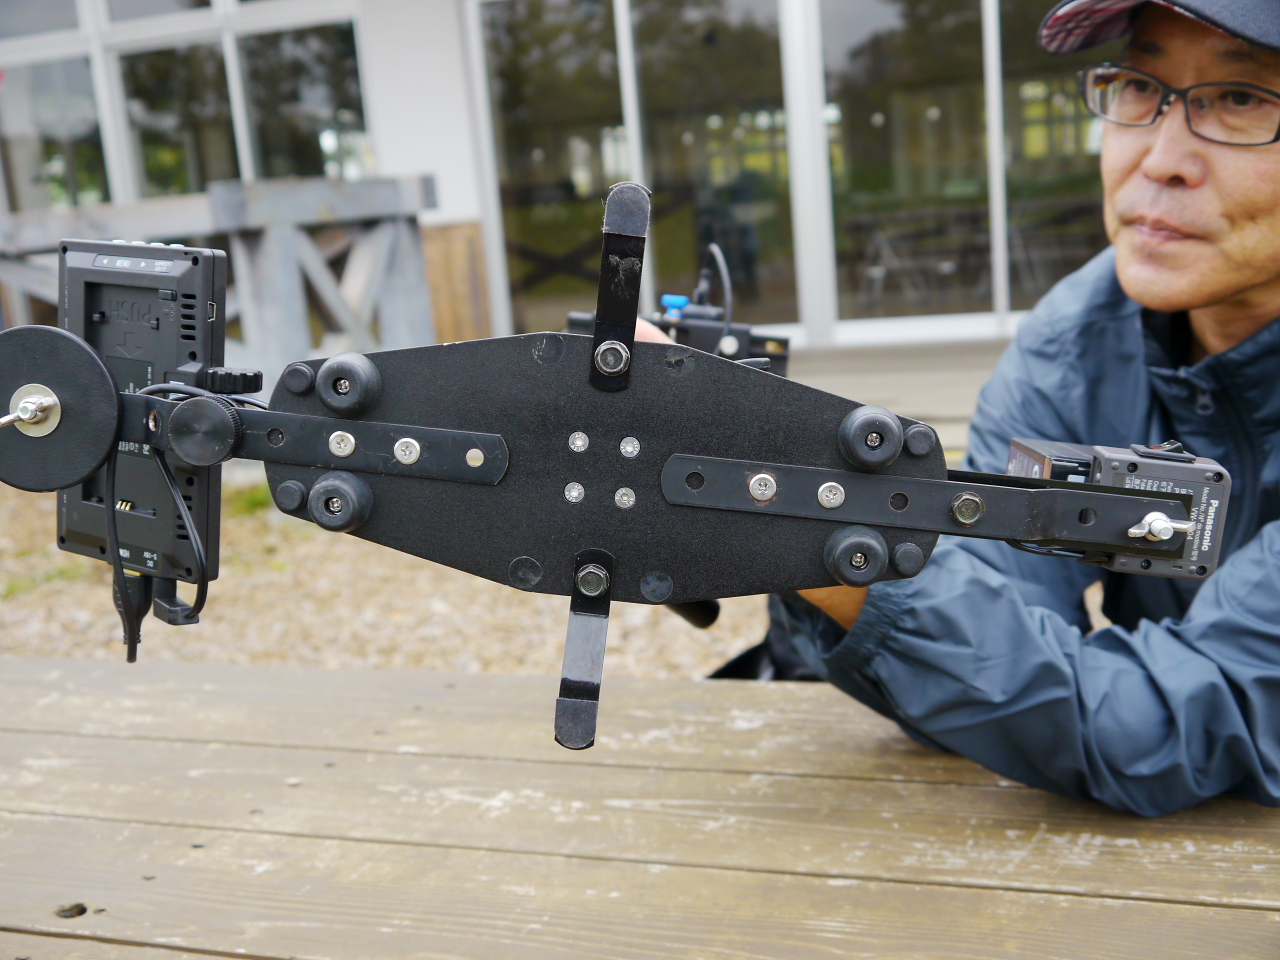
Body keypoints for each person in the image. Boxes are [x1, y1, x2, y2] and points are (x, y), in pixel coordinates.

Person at [762, 0, 1280, 816]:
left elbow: (1166, 726)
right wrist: (766, 488)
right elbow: (997, 674)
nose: (1158, 158)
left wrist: (808, 527)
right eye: (1141, 86)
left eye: (1242, 99)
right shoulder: (1078, 345)